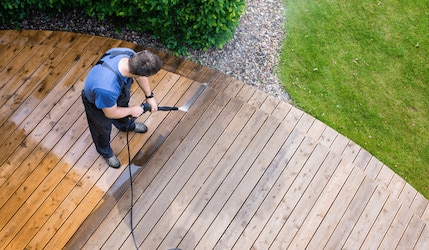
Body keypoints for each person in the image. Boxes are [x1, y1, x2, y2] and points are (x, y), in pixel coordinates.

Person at [82, 48, 162, 168]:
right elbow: (111, 113)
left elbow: (140, 76)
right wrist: (132, 110)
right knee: (102, 131)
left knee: (124, 111)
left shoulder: (130, 55)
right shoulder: (107, 88)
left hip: (118, 94)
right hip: (98, 104)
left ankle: (126, 126)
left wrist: (149, 96)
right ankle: (105, 152)